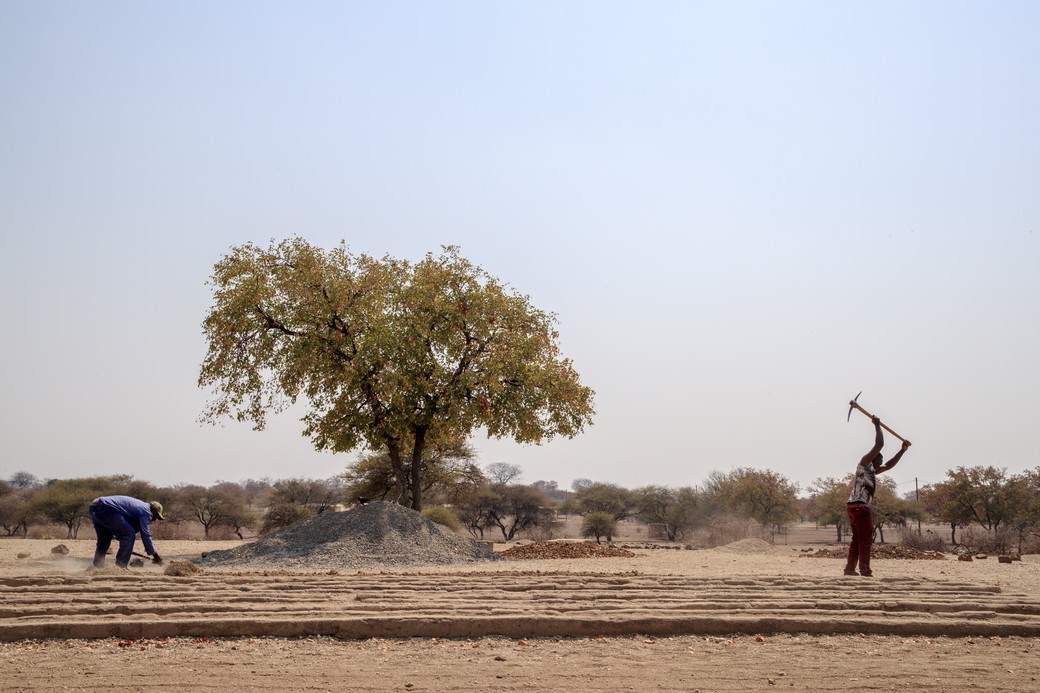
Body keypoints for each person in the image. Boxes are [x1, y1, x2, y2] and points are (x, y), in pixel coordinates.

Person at [845, 416, 909, 577]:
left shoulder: (872, 470)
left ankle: (850, 569)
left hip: (853, 507)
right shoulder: (864, 463)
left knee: (856, 539)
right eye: (879, 460)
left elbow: (889, 465)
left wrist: (902, 450)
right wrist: (877, 425)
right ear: (874, 458)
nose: (881, 463)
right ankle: (865, 570)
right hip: (860, 507)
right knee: (865, 540)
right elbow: (879, 444)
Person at [88, 495, 165, 569]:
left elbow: (122, 527)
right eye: (156, 516)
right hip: (106, 508)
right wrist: (156, 556)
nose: (154, 519)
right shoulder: (146, 511)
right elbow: (146, 535)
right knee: (129, 534)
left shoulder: (139, 507)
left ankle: (97, 566)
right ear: (153, 510)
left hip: (94, 507)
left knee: (104, 539)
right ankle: (121, 566)